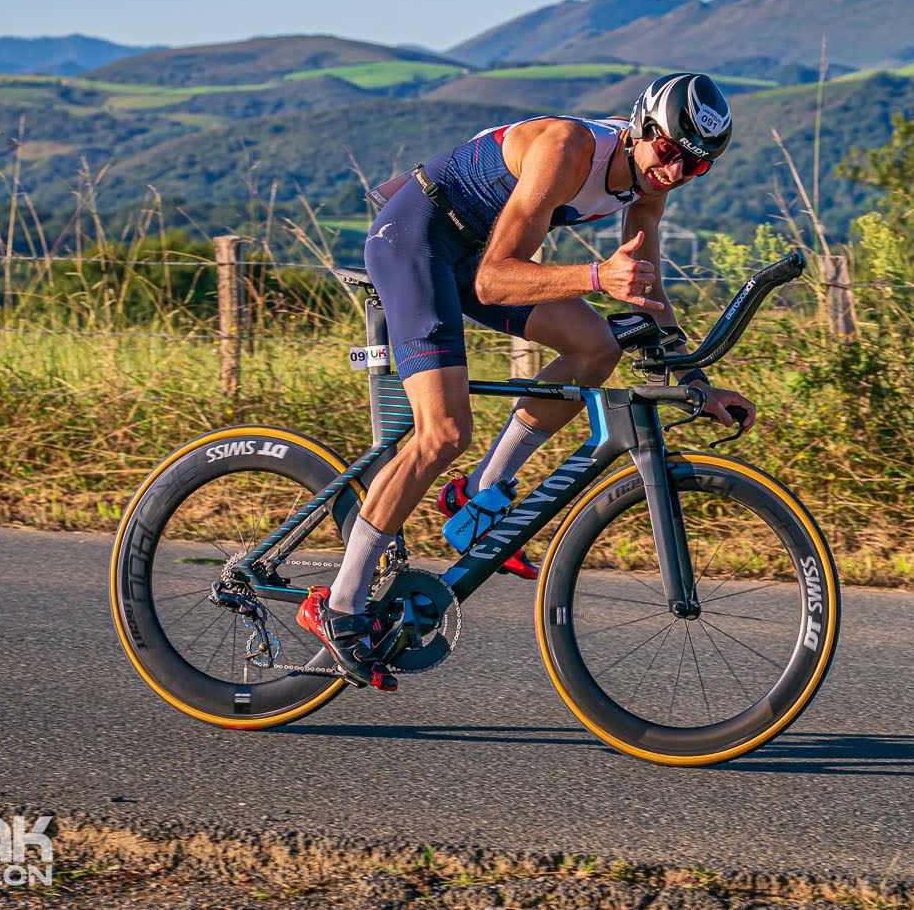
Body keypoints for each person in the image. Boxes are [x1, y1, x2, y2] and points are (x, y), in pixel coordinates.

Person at [298, 72, 756, 688]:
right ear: (641, 128)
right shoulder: (567, 148)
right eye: (672, 153)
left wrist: (698, 380)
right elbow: (493, 282)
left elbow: (645, 295)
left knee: (597, 348)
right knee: (442, 433)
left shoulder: (647, 188)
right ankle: (342, 604)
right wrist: (598, 277)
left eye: (696, 167)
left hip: (476, 254)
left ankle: (482, 494)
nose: (675, 173)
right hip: (417, 237)